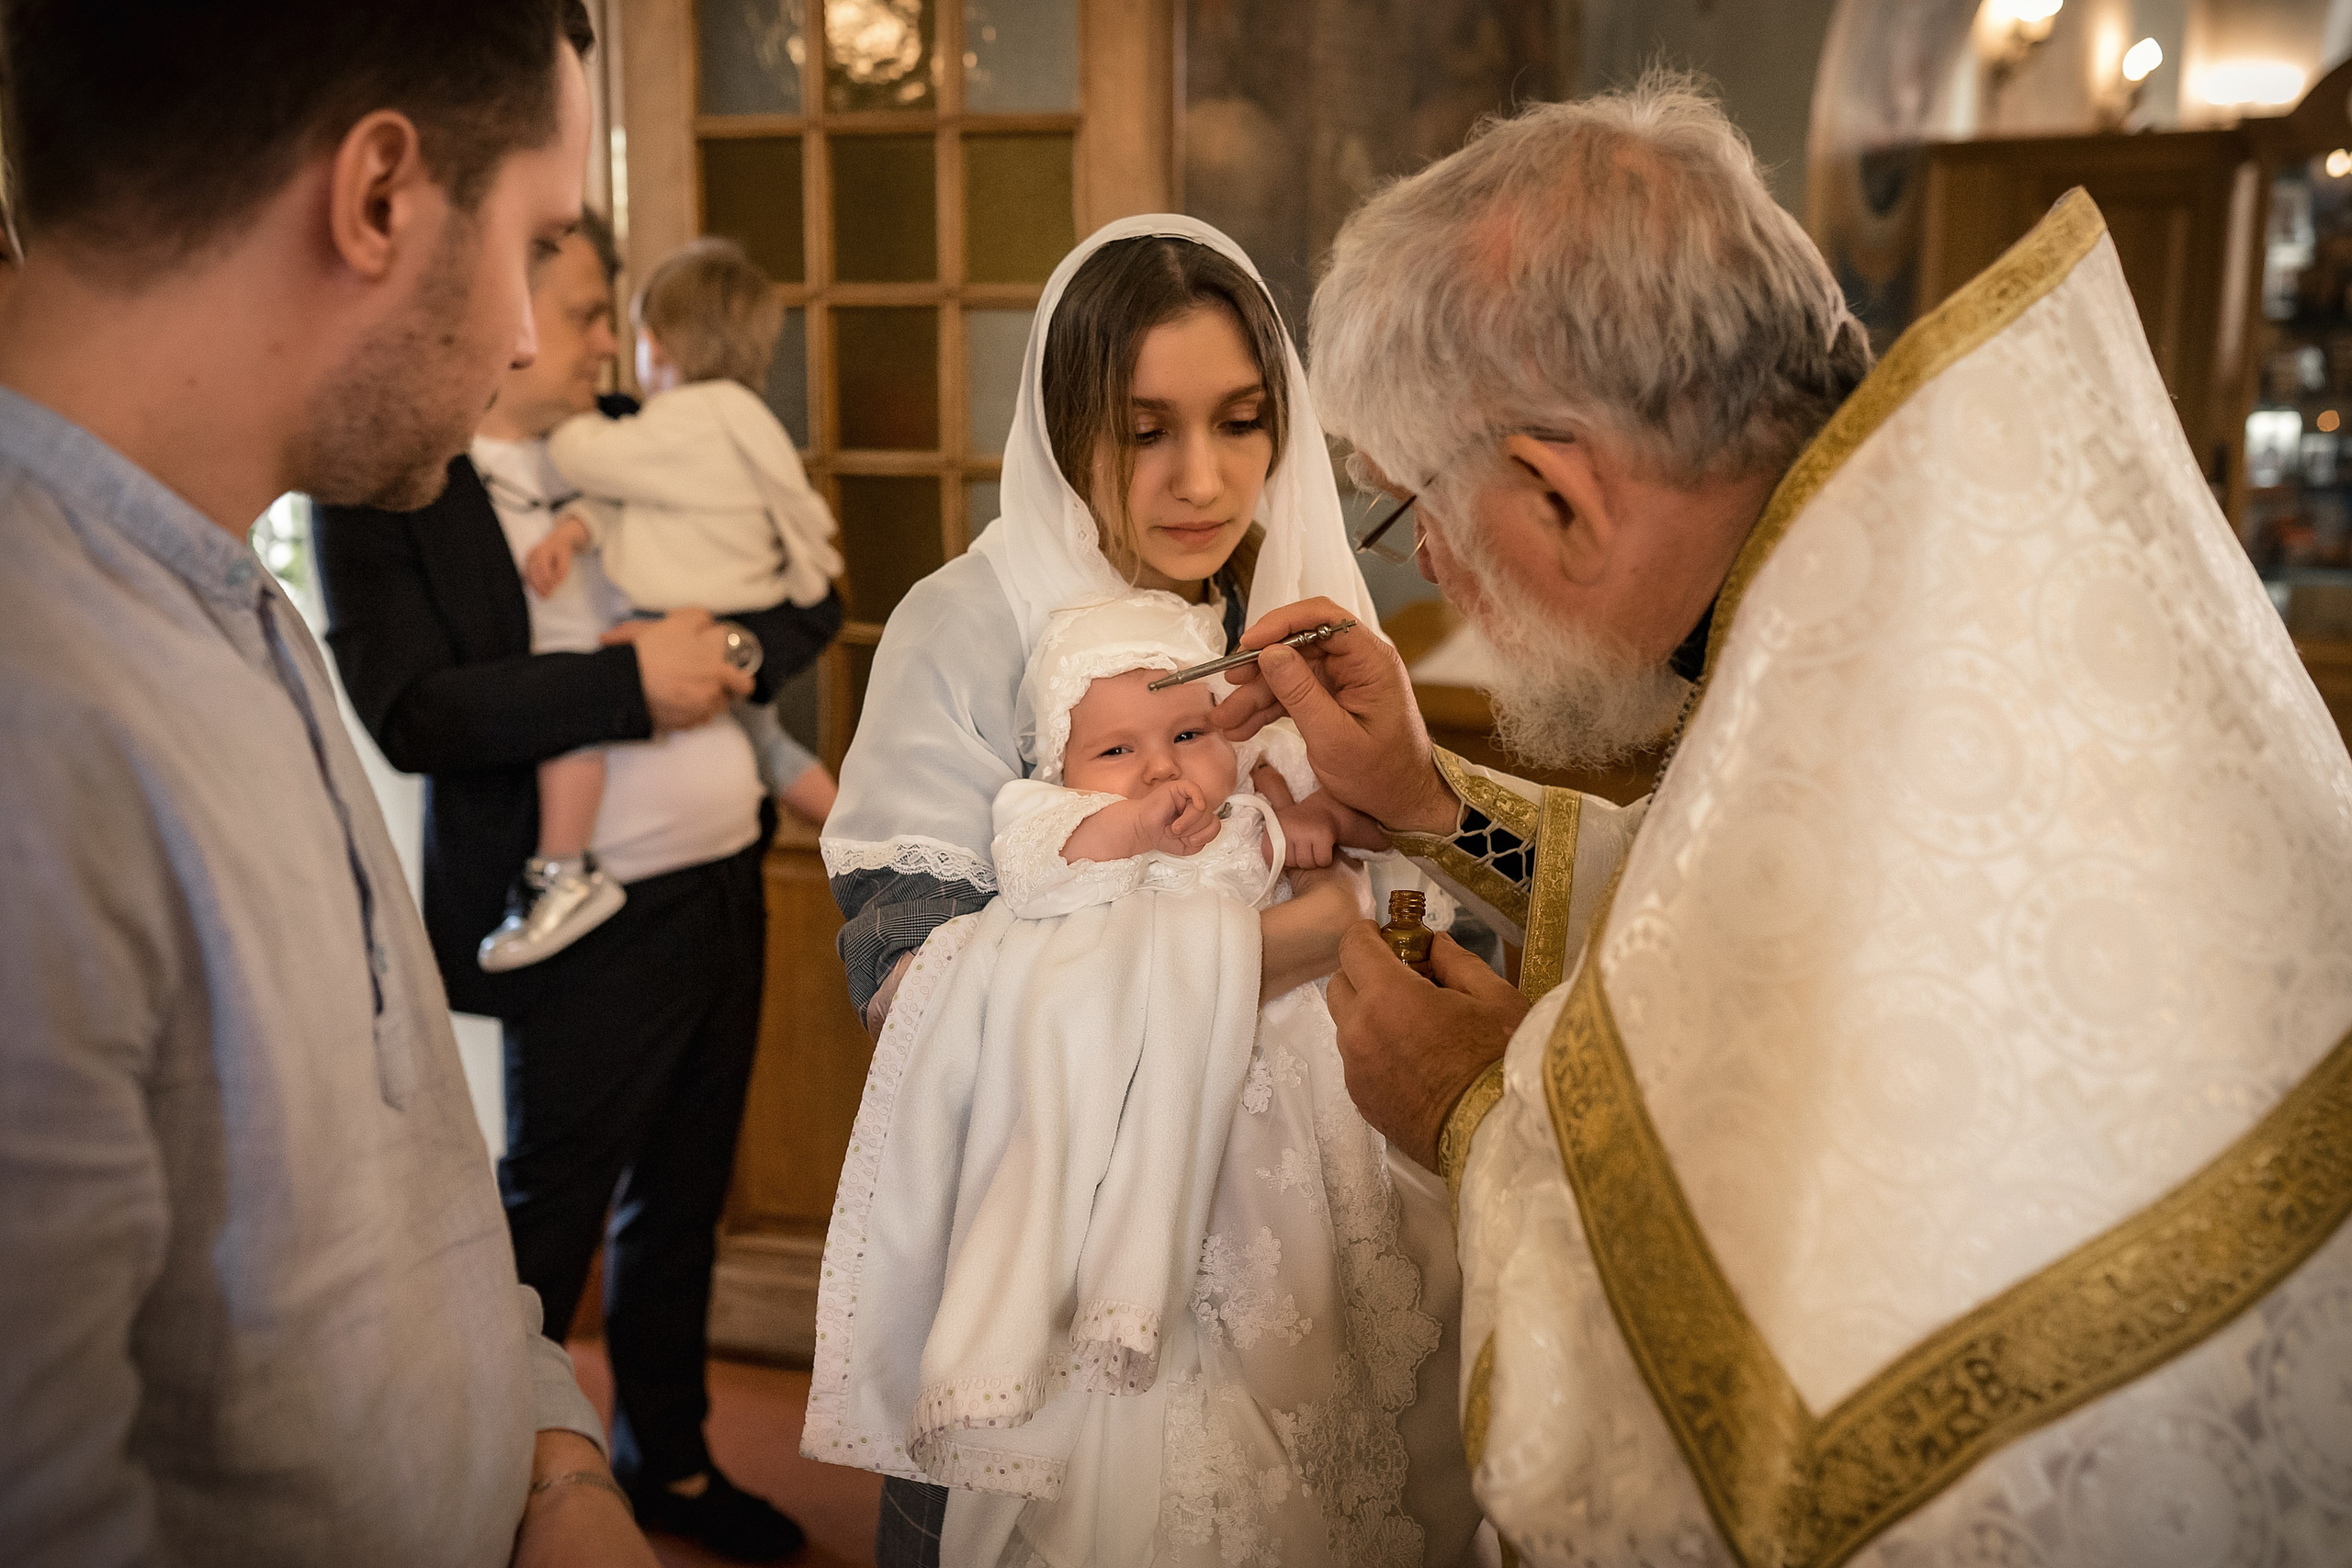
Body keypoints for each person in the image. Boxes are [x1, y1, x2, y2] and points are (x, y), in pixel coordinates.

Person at [1216, 79, 2352, 1563]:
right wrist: (1431, 808)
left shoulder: (1885, 648)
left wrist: (1474, 1117)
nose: (1423, 558)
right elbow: (1713, 916)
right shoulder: (1911, 577)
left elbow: (1719, 1439)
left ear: (1559, 494)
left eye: (1416, 502)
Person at [0, 4, 662, 1565]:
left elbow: (413, 1178)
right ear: (379, 197)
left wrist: (556, 1455)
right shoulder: (39, 708)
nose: (521, 334)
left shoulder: (235, 595)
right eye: (533, 240)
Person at [820, 217, 1482, 1568]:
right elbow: (910, 983)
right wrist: (1289, 940)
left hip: (1310, 1209)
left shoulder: (1283, 607)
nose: (1205, 478)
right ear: (1070, 427)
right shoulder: (974, 622)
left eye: (1243, 424)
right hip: (1075, 1228)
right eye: (1145, 431)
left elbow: (1416, 861)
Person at [311, 215, 840, 1558]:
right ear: (505, 306)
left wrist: (714, 639)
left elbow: (808, 607)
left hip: (724, 880)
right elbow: (414, 708)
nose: (614, 342)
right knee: (544, 1217)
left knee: (686, 1191)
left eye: (614, 315)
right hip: (575, 915)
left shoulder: (632, 431)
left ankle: (669, 1457)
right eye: (590, 310)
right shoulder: (389, 487)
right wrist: (629, 680)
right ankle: (494, 1483)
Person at [808, 593, 1467, 1567]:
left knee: (1320, 1328)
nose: (1161, 768)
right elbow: (1040, 879)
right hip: (1159, 1124)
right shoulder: (1052, 818)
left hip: (1286, 1114)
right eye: (1116, 751)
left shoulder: (1243, 808)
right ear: (1063, 771)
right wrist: (1130, 829)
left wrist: (1304, 829)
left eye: (1189, 733)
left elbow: (1320, 854)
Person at [491, 235, 842, 970]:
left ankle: (562, 866)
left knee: (581, 713)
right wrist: (576, 528)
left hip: (676, 633)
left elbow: (593, 463)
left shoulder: (673, 422)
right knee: (773, 748)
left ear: (662, 343)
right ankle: (856, 836)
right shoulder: (745, 421)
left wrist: (729, 652)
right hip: (642, 920)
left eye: (626, 329)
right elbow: (637, 503)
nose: (612, 349)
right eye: (584, 319)